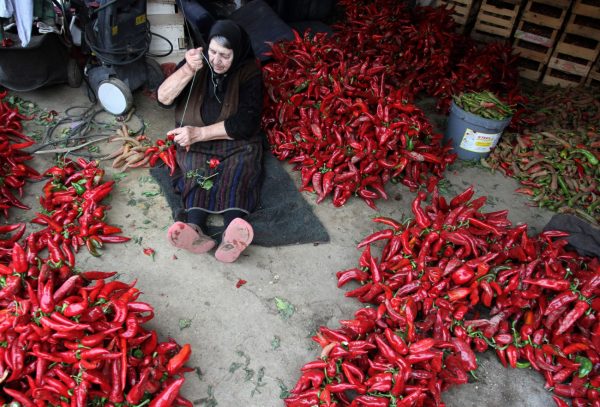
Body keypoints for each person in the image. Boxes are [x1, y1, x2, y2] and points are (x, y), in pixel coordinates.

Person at [157, 20, 263, 263]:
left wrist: (200, 133)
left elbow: (245, 124)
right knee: (195, 170)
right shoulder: (196, 62)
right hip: (195, 139)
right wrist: (186, 71)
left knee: (241, 166)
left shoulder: (249, 72)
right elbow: (162, 99)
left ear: (237, 53)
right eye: (212, 52)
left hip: (234, 138)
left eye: (225, 56)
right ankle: (194, 228)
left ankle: (231, 232)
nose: (216, 61)